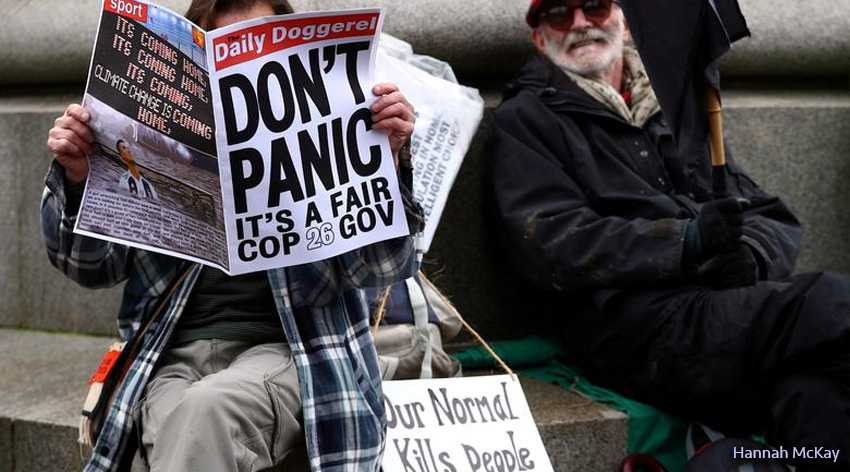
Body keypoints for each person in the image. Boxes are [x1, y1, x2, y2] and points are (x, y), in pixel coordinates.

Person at [42, 0, 421, 471]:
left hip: (295, 352)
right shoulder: (152, 144)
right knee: (184, 421)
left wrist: (389, 163)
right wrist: (79, 177)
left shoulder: (333, 131)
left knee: (205, 414)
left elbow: (382, 268)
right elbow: (89, 267)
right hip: (171, 355)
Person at [484, 0, 849, 470]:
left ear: (622, 19)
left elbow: (767, 214)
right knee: (831, 301)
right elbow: (551, 243)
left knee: (813, 391)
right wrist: (685, 241)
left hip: (718, 313)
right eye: (558, 14)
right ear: (539, 37)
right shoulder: (528, 118)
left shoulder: (675, 104)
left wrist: (751, 255)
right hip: (636, 329)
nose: (579, 24)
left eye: (593, 6)